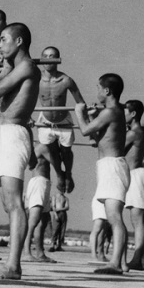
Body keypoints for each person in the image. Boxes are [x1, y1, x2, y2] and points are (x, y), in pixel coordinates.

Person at [0, 23, 40, 281]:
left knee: (14, 203)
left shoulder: (26, 67)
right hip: (4, 133)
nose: (0, 44)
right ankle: (13, 261)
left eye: (4, 39)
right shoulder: (18, 68)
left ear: (18, 42)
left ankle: (13, 265)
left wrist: (3, 68)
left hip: (13, 133)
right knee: (8, 203)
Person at [75, 74, 129, 275]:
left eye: (98, 88)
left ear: (106, 91)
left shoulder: (111, 112)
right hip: (108, 165)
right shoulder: (113, 112)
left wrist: (79, 113)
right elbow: (97, 137)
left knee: (114, 216)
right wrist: (90, 116)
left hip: (112, 167)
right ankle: (120, 263)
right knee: (112, 216)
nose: (96, 91)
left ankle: (115, 263)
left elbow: (85, 131)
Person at [35, 47, 85, 192]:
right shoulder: (36, 79)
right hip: (45, 120)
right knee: (52, 151)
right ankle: (59, 174)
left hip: (63, 120)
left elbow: (80, 102)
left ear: (58, 59)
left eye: (52, 56)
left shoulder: (66, 80)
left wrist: (89, 122)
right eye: (45, 56)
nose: (48, 59)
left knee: (66, 151)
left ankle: (68, 174)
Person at [122, 100, 144, 270]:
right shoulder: (134, 131)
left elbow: (117, 145)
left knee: (137, 220)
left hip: (137, 176)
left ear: (133, 114)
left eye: (125, 112)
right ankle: (137, 258)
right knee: (135, 220)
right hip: (132, 175)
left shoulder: (135, 132)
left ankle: (138, 258)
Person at [24, 143, 63, 263]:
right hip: (39, 182)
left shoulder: (41, 148)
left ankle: (40, 253)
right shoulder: (42, 147)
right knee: (34, 219)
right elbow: (55, 162)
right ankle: (26, 252)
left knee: (43, 219)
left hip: (43, 181)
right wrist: (62, 177)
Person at [48, 186, 69, 253]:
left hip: (63, 214)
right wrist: (55, 214)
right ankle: (52, 245)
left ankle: (59, 246)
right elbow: (53, 207)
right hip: (57, 214)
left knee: (62, 230)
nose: (63, 190)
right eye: (61, 189)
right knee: (55, 230)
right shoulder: (55, 197)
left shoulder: (65, 198)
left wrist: (59, 209)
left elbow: (67, 207)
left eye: (64, 189)